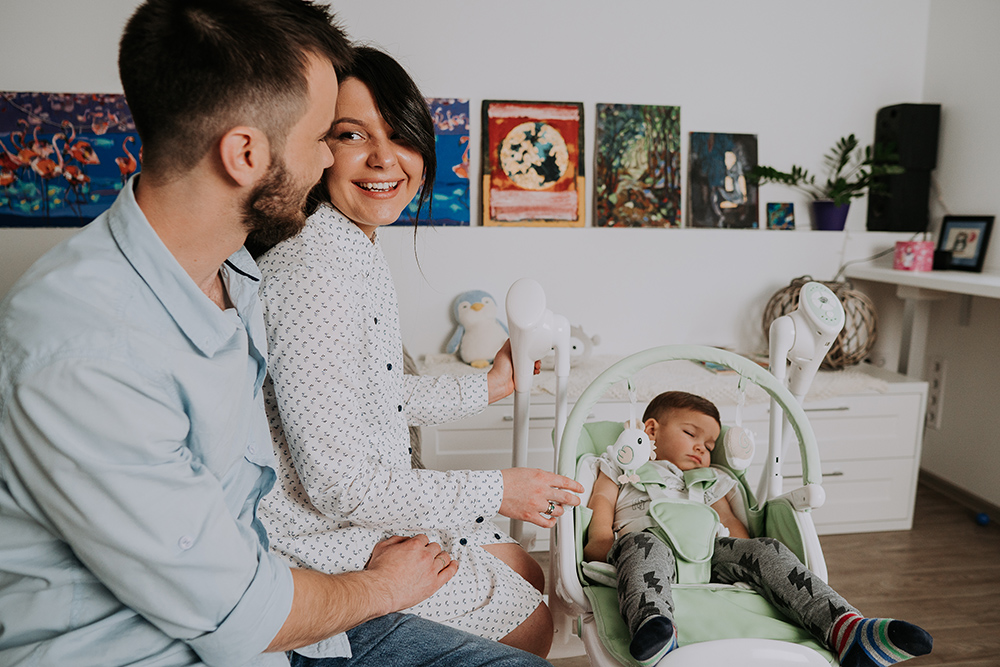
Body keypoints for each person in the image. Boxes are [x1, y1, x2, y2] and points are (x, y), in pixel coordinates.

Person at [0, 2, 550, 666]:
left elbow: (352, 399)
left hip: (274, 598)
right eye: (327, 133)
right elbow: (239, 613)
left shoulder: (232, 273)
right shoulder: (90, 351)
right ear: (247, 154)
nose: (328, 158)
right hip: (196, 639)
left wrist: (481, 389)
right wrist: (377, 584)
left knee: (523, 584)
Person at [251, 46, 583, 660]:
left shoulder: (349, 245)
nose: (384, 159)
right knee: (533, 621)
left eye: (400, 135)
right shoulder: (315, 263)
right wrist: (497, 490)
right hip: (325, 541)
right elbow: (337, 483)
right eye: (353, 134)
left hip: (361, 511)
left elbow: (370, 394)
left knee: (528, 573)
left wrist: (491, 385)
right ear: (316, 148)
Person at [584, 391, 933, 667]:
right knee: (643, 546)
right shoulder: (623, 466)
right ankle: (656, 630)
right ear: (650, 431)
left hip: (709, 554)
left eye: (708, 446)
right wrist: (601, 539)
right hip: (646, 546)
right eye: (690, 434)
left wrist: (752, 556)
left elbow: (733, 524)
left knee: (766, 548)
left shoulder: (711, 480)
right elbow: (601, 503)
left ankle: (848, 630)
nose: (700, 449)